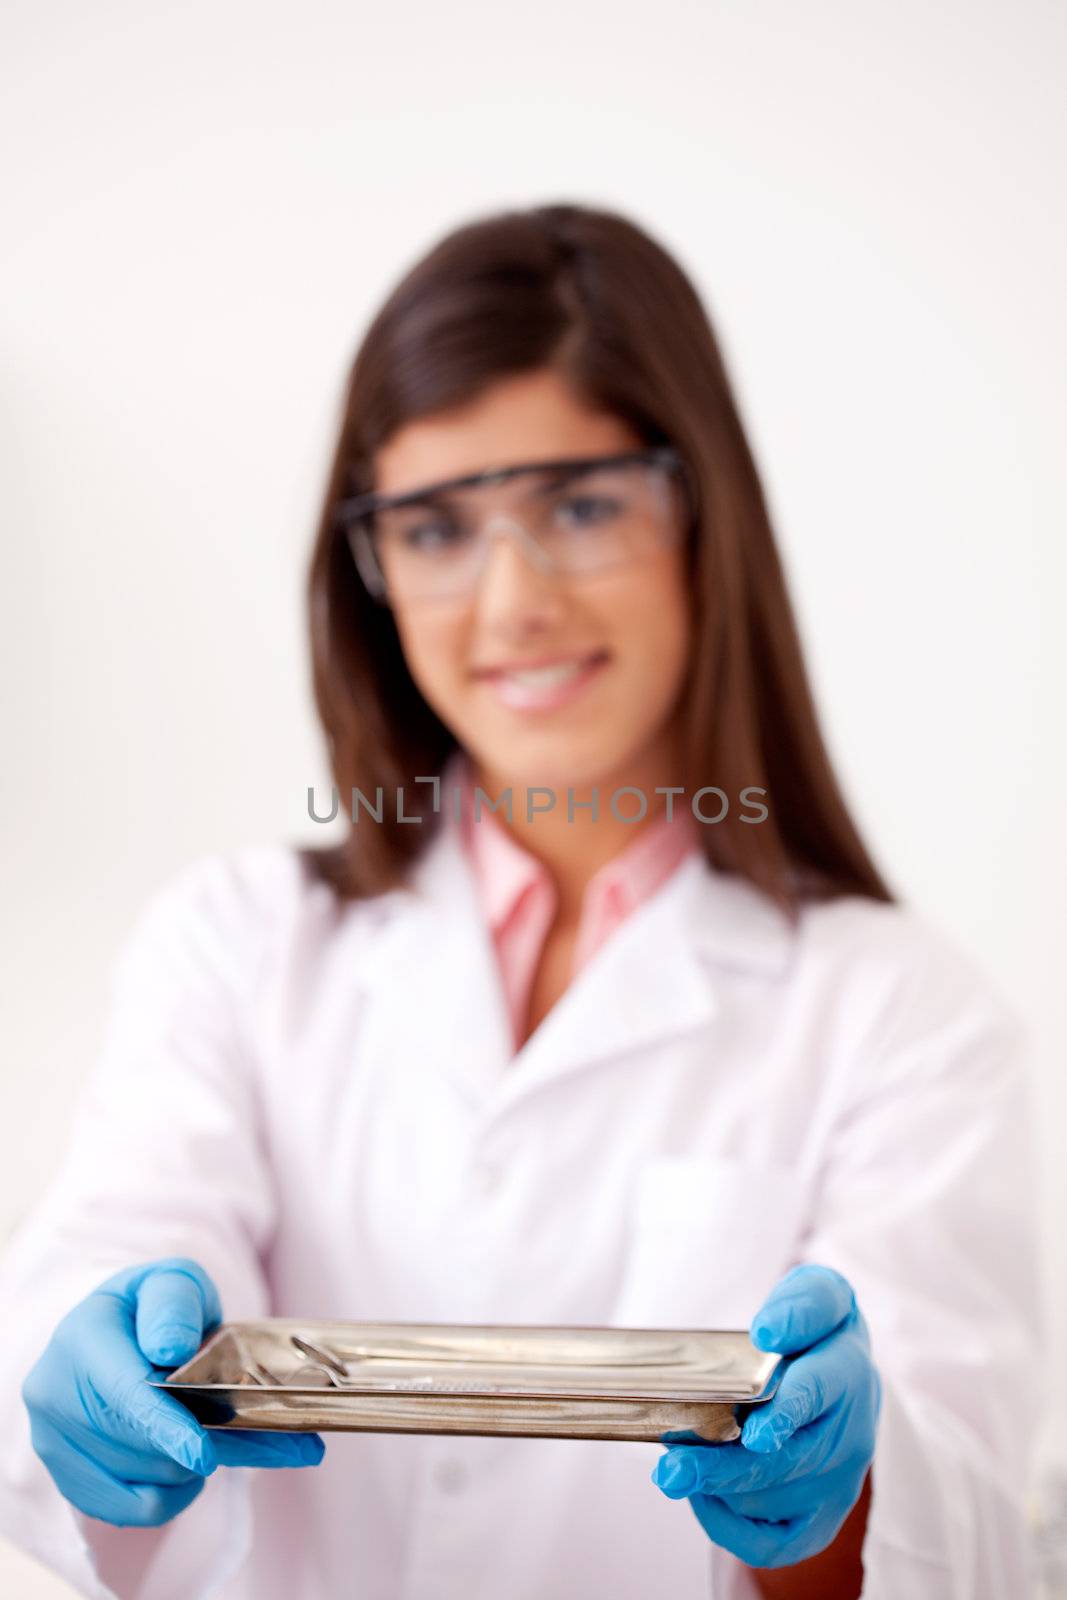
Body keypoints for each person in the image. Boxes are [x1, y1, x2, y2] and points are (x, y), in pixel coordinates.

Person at [0, 202, 1042, 1600]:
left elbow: (958, 1527)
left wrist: (845, 1494)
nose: (511, 603)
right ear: (370, 573)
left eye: (581, 504)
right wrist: (85, 1368)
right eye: (434, 527)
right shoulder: (234, 945)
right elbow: (114, 1256)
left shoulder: (904, 1015)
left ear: (704, 517)